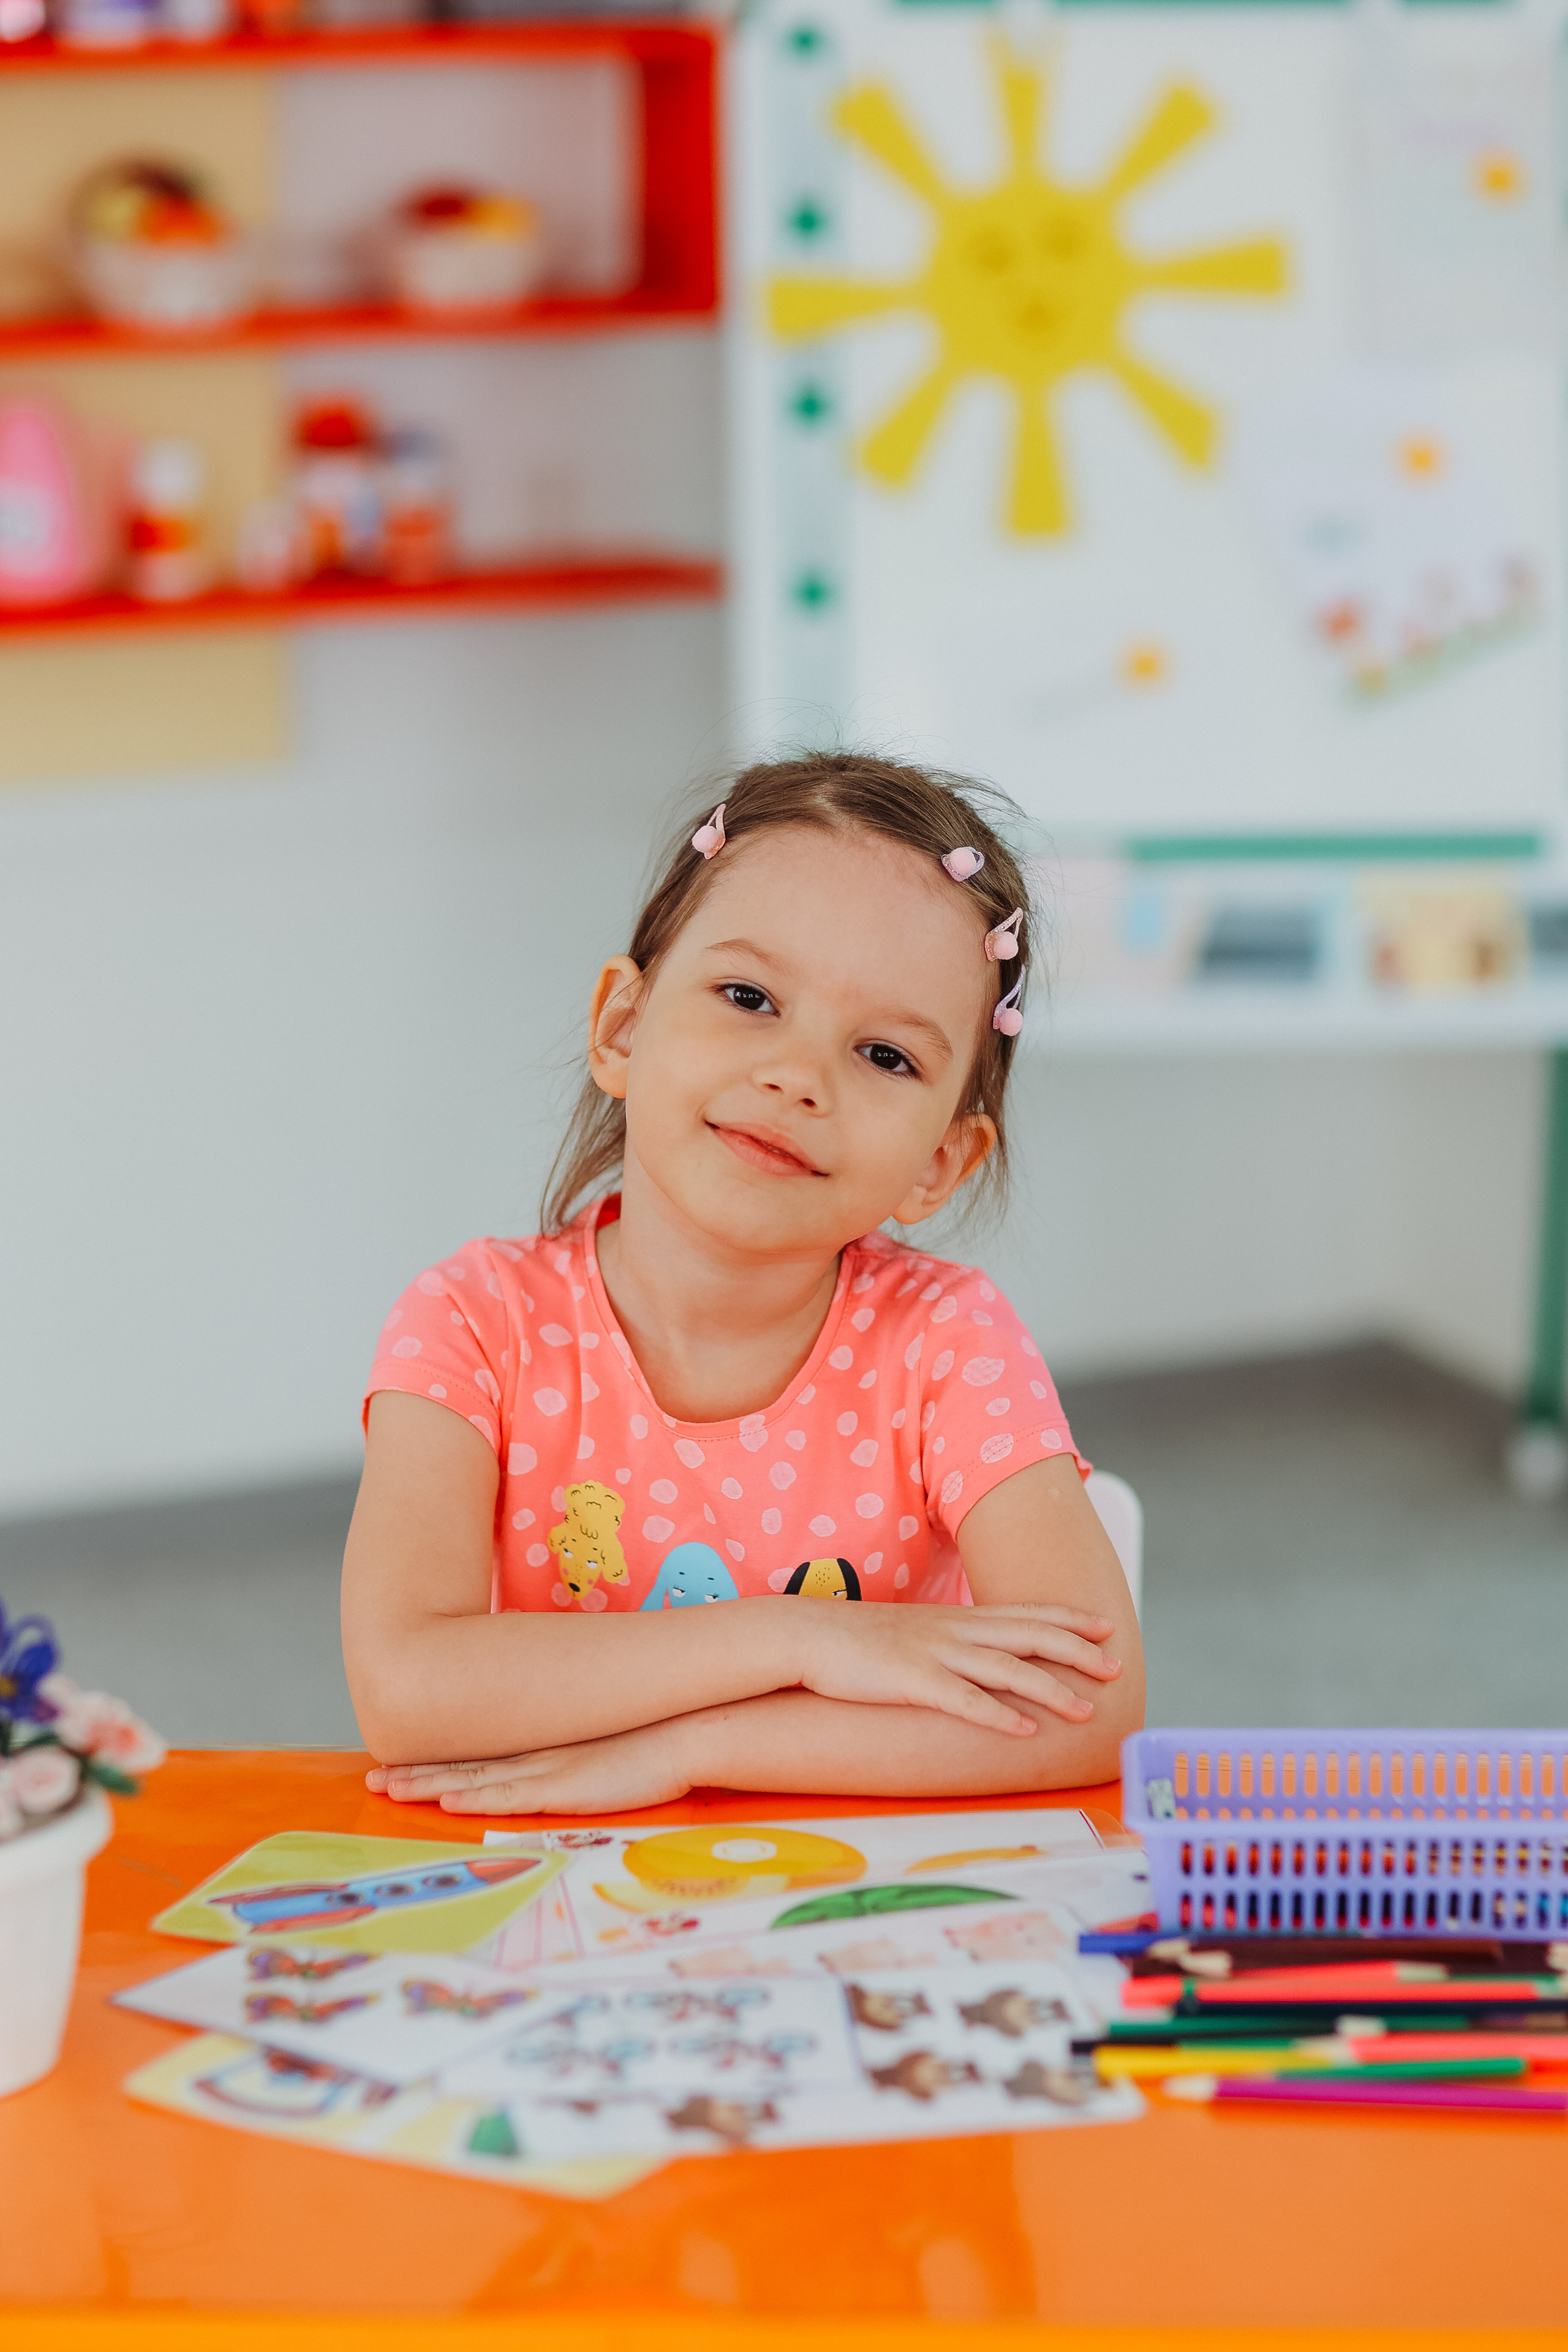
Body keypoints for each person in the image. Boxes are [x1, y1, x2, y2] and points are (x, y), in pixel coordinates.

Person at [343, 750, 1145, 1815]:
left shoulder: (947, 1340)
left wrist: (689, 1751)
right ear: (621, 1027)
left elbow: (1097, 1706)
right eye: (748, 996)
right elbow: (407, 1692)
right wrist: (811, 1638)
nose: (797, 1077)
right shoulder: (472, 1323)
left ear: (939, 1164)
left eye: (886, 1057)